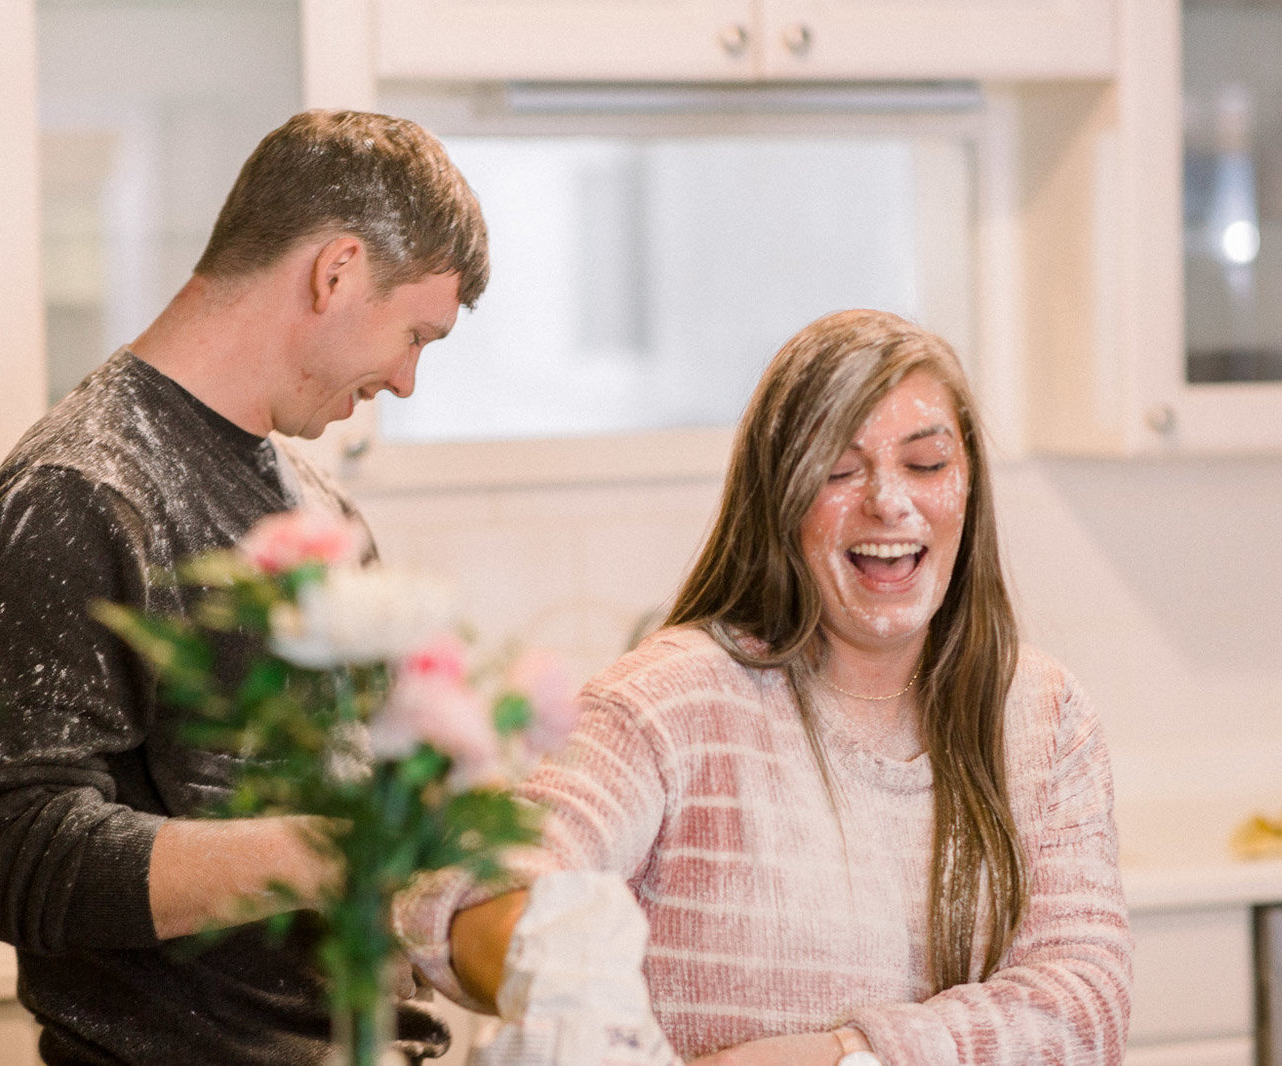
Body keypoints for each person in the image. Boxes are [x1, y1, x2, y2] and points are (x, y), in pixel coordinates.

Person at [395, 309, 1133, 1065]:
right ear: (779, 500)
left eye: (925, 465)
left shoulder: (1042, 714)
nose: (887, 500)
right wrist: (574, 1006)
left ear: (969, 486)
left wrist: (842, 1055)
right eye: (840, 471)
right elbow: (473, 886)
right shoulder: (673, 701)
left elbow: (1085, 1000)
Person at [0, 109, 488, 1066]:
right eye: (414, 334)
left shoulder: (314, 510)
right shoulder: (81, 491)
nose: (406, 380)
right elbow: (6, 855)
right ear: (337, 271)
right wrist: (320, 852)